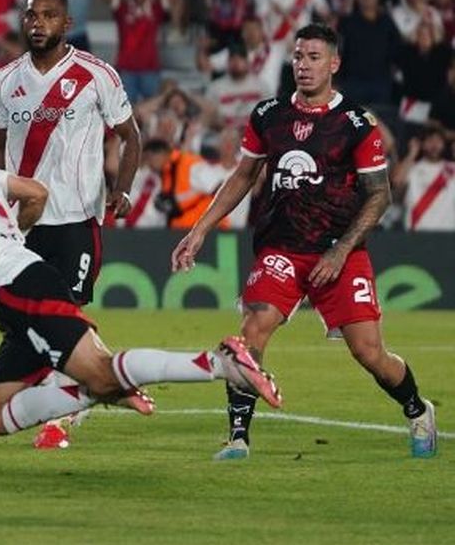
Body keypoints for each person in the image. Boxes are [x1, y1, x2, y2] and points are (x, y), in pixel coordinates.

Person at [0, 104, 281, 445]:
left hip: (18, 287)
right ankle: (101, 390)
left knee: (98, 369)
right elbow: (34, 193)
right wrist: (14, 237)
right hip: (14, 293)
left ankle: (217, 363)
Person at [171, 24, 438, 460]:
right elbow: (243, 176)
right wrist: (200, 229)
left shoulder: (355, 123)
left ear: (333, 64)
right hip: (282, 246)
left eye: (314, 57)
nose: (304, 65)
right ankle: (238, 437)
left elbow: (381, 194)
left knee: (370, 353)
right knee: (253, 328)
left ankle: (416, 408)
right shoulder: (268, 115)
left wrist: (340, 250)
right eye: (298, 56)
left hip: (340, 250)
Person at [0, 0, 142, 448]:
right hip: (22, 223)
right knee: (17, 319)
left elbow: (131, 136)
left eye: (48, 15)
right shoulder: (4, 80)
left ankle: (63, 414)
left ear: (66, 23)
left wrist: (123, 187)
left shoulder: (96, 75)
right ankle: (105, 376)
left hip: (75, 219)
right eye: (31, 15)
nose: (37, 23)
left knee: (66, 313)